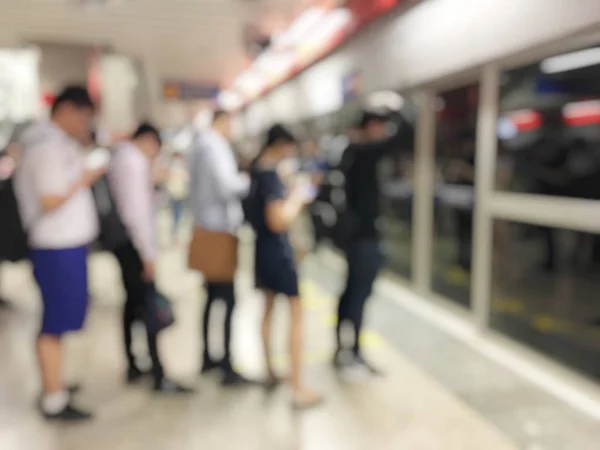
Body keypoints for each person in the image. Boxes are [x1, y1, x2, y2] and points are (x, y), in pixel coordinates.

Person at [13, 86, 104, 421]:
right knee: (54, 322)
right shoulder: (47, 147)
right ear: (66, 109)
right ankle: (54, 397)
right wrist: (85, 178)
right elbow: (50, 199)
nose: (84, 125)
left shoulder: (53, 143)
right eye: (83, 117)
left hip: (63, 246)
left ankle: (56, 384)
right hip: (56, 247)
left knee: (60, 322)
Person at [108, 123, 192, 393]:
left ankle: (134, 363)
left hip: (124, 243)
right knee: (148, 305)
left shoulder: (121, 158)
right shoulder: (133, 162)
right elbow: (137, 213)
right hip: (135, 245)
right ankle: (159, 373)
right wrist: (148, 255)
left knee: (133, 304)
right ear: (148, 141)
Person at [247, 124, 323, 409]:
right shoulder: (269, 176)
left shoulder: (257, 171)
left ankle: (270, 370)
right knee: (295, 314)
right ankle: (297, 387)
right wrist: (297, 197)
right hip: (278, 252)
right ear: (280, 145)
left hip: (261, 250)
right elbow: (278, 220)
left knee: (267, 309)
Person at [334, 110, 409, 375]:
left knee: (351, 290)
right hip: (364, 238)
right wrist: (398, 110)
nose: (383, 132)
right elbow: (400, 137)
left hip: (355, 237)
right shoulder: (363, 153)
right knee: (359, 294)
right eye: (380, 126)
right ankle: (352, 352)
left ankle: (340, 348)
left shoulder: (350, 153)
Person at [188, 109, 250, 386]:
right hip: (219, 230)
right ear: (223, 121)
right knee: (228, 299)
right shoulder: (214, 146)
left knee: (212, 298)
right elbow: (228, 186)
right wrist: (250, 180)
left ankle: (207, 356)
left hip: (205, 227)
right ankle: (225, 364)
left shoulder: (199, 145)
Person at [165, 152, 189, 243]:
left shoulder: (173, 165)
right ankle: (175, 235)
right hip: (176, 193)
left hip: (176, 193)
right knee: (177, 214)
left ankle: (175, 234)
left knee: (177, 214)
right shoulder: (177, 166)